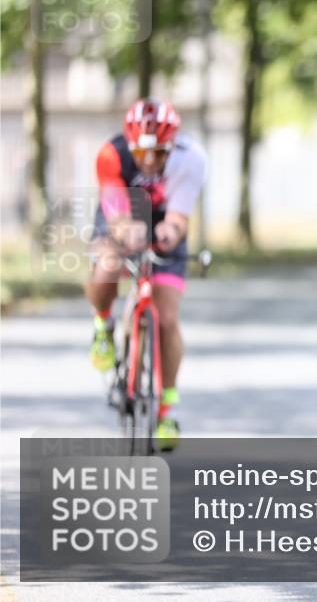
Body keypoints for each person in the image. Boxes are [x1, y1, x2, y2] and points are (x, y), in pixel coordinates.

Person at [86, 98, 206, 451]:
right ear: (130, 144)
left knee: (167, 319)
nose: (151, 162)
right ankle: (102, 325)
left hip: (163, 220)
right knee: (107, 264)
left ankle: (166, 410)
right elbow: (115, 208)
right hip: (121, 212)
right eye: (142, 154)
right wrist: (125, 230)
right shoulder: (110, 154)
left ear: (173, 146)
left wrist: (171, 232)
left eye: (160, 154)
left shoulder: (192, 157)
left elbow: (179, 218)